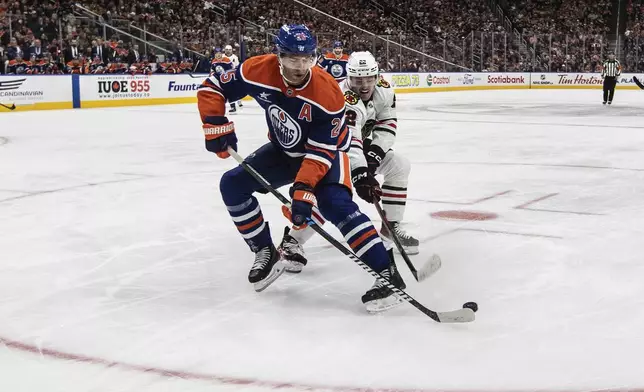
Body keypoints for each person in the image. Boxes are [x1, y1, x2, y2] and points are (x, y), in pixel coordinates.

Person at [196, 24, 404, 312]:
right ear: (278, 55)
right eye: (293, 58)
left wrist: (304, 189)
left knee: (335, 206)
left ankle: (386, 272)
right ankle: (265, 252)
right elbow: (213, 85)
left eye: (307, 59)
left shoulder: (328, 93)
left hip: (327, 154)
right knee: (232, 185)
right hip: (284, 151)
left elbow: (321, 151)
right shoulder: (257, 69)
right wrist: (215, 122)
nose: (300, 66)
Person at [278, 51, 419, 274]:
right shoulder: (343, 96)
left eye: (368, 79)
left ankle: (390, 228)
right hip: (325, 150)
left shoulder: (384, 90)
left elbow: (388, 124)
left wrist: (374, 154)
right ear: (348, 78)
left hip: (355, 149)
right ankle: (293, 241)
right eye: (357, 80)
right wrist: (362, 171)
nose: (363, 86)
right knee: (333, 195)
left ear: (376, 76)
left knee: (399, 165)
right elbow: (350, 138)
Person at [210, 48, 236, 114]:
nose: (218, 55)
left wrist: (227, 76)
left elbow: (231, 70)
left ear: (221, 54)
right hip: (218, 81)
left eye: (219, 54)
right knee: (218, 94)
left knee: (230, 93)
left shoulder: (226, 60)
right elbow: (212, 70)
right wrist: (212, 74)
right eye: (216, 54)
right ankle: (218, 107)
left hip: (227, 80)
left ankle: (233, 107)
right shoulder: (214, 61)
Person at [223, 44, 243, 109]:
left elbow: (237, 67)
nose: (228, 51)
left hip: (233, 76)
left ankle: (238, 102)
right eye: (227, 50)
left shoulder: (235, 57)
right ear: (224, 50)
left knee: (235, 90)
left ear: (232, 50)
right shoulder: (222, 57)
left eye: (229, 50)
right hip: (224, 77)